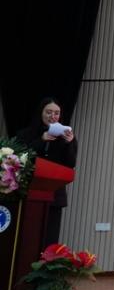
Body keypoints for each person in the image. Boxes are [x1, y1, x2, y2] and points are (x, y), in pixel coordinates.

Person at [15, 97, 78, 247]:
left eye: (56, 113)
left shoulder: (66, 136)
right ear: (41, 113)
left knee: (49, 239)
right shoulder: (26, 134)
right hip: (28, 193)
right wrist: (41, 141)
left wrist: (69, 144)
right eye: (48, 112)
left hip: (54, 195)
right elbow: (19, 159)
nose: (53, 116)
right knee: (27, 238)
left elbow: (70, 164)